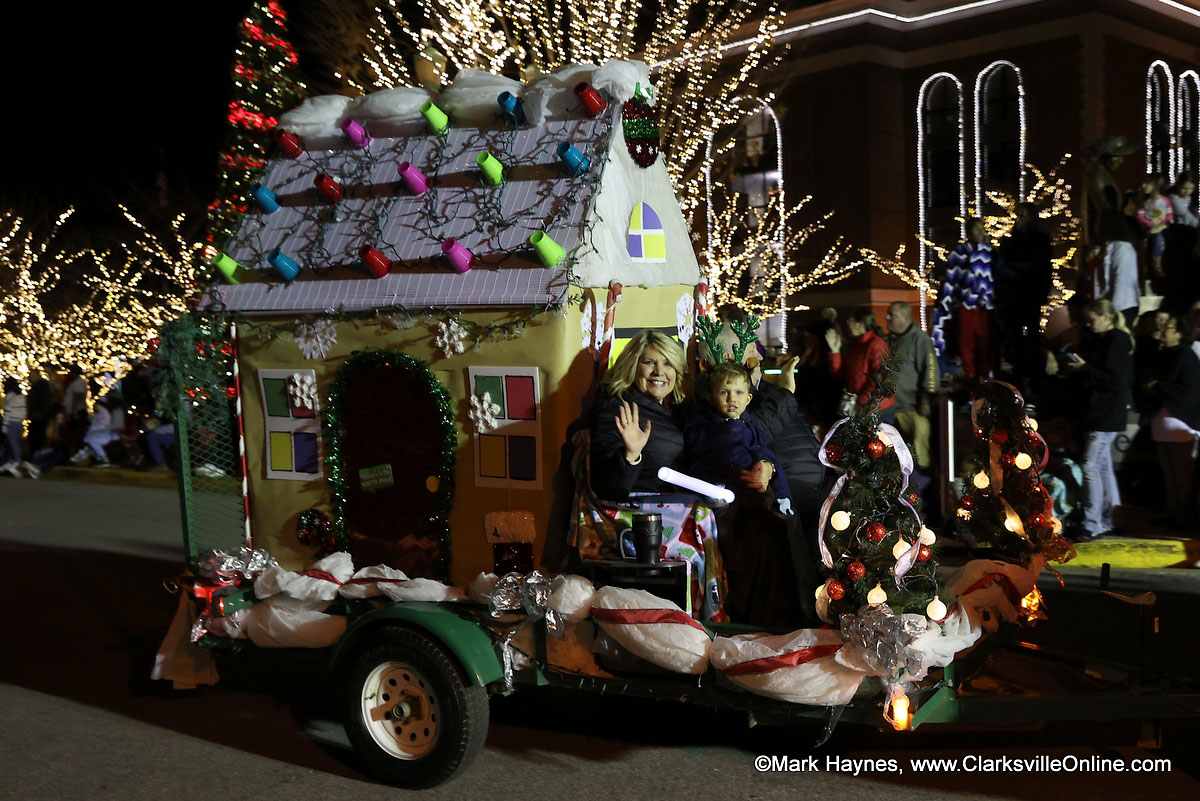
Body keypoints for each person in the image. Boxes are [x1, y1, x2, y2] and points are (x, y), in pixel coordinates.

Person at [1053, 299, 1134, 541]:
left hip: (1105, 414)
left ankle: (1093, 522)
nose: (1089, 324)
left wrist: (1085, 368)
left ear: (1107, 317)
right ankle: (1110, 517)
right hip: (1099, 413)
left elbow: (1115, 380)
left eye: (1093, 319)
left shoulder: (1116, 340)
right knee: (1103, 467)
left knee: (1090, 467)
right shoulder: (1102, 340)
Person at [589, 329, 688, 500]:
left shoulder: (678, 408)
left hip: (680, 511)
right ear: (632, 367)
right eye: (649, 362)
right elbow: (607, 488)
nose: (659, 371)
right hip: (643, 518)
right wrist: (630, 456)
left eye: (668, 363)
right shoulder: (618, 411)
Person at [683, 362, 792, 513]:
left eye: (739, 392)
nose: (732, 399)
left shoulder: (751, 424)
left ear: (748, 399)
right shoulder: (703, 428)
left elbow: (768, 455)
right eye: (724, 392)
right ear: (711, 398)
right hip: (724, 503)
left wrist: (783, 495)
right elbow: (701, 465)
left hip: (759, 497)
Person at [1144, 313, 1200, 528]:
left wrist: (1157, 387)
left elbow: (1189, 391)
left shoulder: (1186, 355)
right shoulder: (1163, 353)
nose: (1163, 328)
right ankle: (1172, 512)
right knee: (1169, 474)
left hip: (1179, 423)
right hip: (1162, 423)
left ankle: (1185, 516)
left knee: (1182, 474)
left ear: (1179, 333)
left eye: (1169, 326)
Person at [998, 203, 1053, 396]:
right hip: (1013, 298)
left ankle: (1036, 382)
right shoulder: (1009, 242)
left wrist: (1020, 271)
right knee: (1015, 341)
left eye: (1022, 215)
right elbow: (1003, 268)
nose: (1018, 219)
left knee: (1032, 340)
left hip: (1031, 296)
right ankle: (1020, 381)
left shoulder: (1041, 240)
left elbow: (1041, 268)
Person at [933, 218, 999, 378]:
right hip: (965, 305)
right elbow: (951, 279)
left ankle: (986, 385)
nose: (980, 233)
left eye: (982, 229)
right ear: (969, 232)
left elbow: (998, 278)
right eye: (976, 229)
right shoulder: (958, 253)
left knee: (985, 346)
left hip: (986, 306)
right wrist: (947, 300)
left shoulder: (991, 252)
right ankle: (972, 388)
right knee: (966, 346)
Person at [885, 302, 939, 471]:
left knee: (920, 455)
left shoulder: (920, 339)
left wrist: (924, 399)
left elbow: (930, 369)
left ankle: (923, 490)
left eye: (891, 314)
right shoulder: (895, 340)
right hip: (895, 408)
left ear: (905, 317)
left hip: (913, 408)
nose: (887, 318)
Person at [825, 307, 895, 416]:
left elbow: (879, 379)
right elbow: (841, 375)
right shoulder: (856, 345)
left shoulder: (876, 344)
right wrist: (835, 351)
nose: (847, 324)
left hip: (875, 407)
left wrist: (861, 402)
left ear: (861, 324)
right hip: (859, 406)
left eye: (850, 321)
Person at [1136, 173, 1174, 276]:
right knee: (1156, 237)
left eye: (1147, 183)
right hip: (1149, 228)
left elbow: (1169, 215)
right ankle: (1155, 265)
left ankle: (1161, 264)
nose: (1143, 185)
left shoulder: (1165, 201)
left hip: (1163, 227)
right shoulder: (1144, 202)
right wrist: (1150, 224)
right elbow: (1140, 216)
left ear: (1156, 185)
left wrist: (1164, 223)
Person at [2, 377, 27, 476]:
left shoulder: (9, 396)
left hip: (11, 422)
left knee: (12, 442)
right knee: (16, 442)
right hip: (19, 422)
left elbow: (7, 412)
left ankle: (16, 460)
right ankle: (15, 460)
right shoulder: (21, 396)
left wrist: (4, 426)